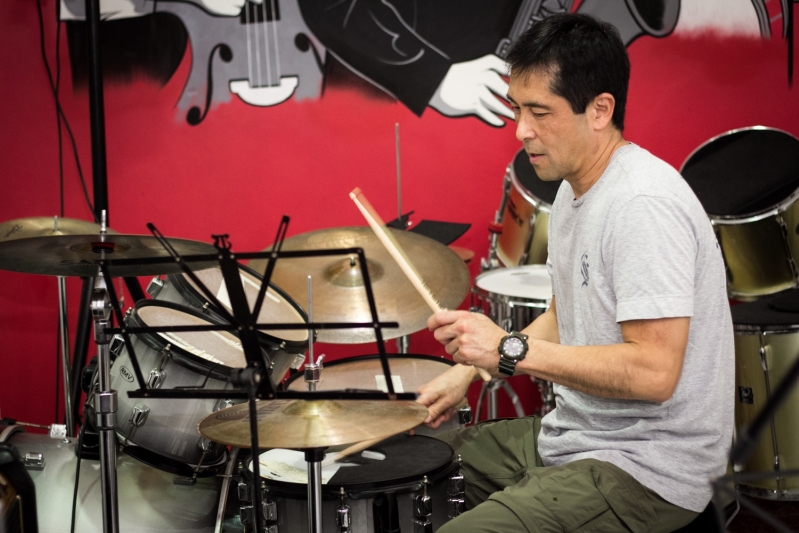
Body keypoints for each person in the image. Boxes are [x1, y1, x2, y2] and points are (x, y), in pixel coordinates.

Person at [417, 13, 734, 533]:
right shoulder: (572, 189)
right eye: (518, 109)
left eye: (540, 112)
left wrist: (507, 351)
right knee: (407, 470)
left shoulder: (642, 204)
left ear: (600, 110)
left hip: (645, 468)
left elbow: (655, 373)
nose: (521, 130)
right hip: (572, 436)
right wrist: (469, 372)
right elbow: (565, 316)